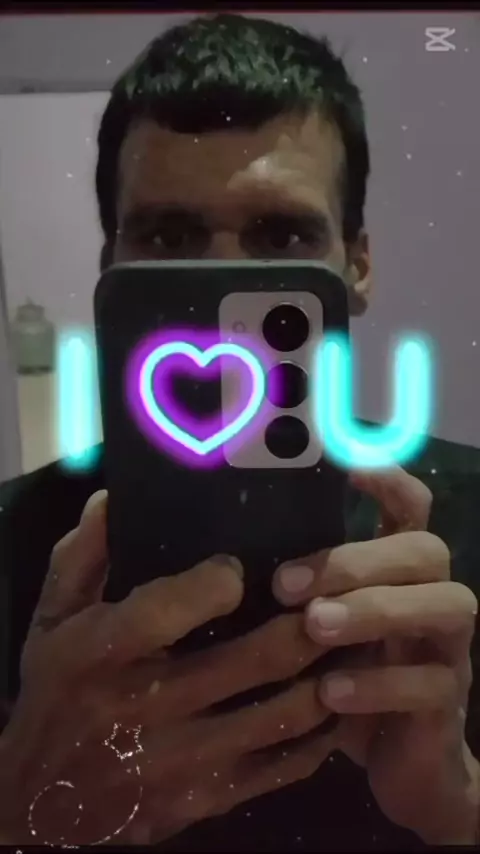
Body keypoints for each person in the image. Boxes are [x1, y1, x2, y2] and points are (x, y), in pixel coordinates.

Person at [0, 12, 479, 849]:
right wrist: (20, 811)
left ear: (357, 265)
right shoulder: (9, 542)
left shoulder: (470, 517)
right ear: (110, 264)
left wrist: (456, 804)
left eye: (281, 235)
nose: (224, 284)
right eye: (169, 237)